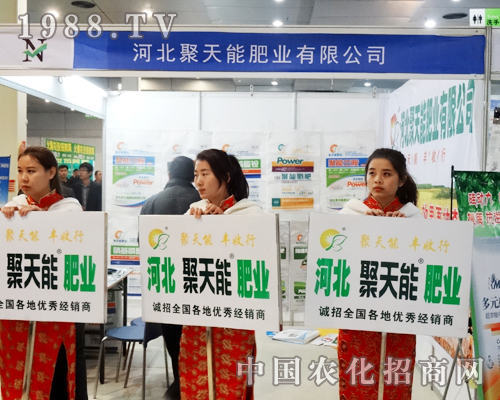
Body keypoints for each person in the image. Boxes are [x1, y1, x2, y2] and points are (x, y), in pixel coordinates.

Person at [0, 146, 87, 400]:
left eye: (31, 171)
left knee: (57, 377)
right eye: (20, 171)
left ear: (51, 173)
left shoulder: (69, 208)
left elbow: (78, 255)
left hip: (56, 312)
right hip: (18, 312)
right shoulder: (13, 207)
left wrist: (44, 222)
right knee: (18, 374)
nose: (24, 178)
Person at [337, 148, 422, 400]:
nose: (377, 180)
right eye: (372, 173)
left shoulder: (415, 219)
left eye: (387, 174)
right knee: (357, 380)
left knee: (396, 380)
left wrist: (403, 234)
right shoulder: (349, 215)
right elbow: (334, 263)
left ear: (402, 180)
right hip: (357, 316)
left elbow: (423, 268)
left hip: (399, 318)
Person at [180, 149, 263, 400]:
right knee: (195, 383)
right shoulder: (192, 213)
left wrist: (225, 224)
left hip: (235, 321)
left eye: (205, 173)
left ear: (225, 177)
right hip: (197, 319)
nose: (198, 181)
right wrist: (192, 228)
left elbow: (259, 266)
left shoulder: (250, 214)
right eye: (196, 174)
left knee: (234, 385)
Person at [140, 156, 201, 400]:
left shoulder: (152, 202)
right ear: (192, 176)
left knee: (174, 342)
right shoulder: (203, 202)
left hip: (165, 286)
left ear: (168, 174)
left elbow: (144, 245)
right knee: (196, 343)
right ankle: (193, 386)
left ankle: (179, 383)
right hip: (198, 285)